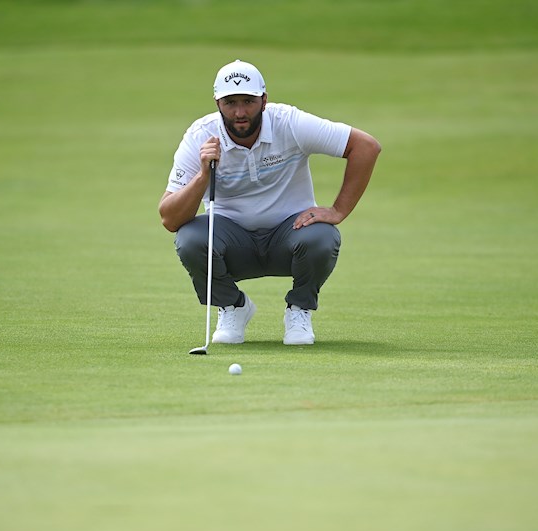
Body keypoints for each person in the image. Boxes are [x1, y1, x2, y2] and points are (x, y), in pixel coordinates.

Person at [159, 59, 381, 346]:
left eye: (248, 101)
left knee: (323, 236)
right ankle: (233, 307)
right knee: (190, 238)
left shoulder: (288, 123)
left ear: (264, 100)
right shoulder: (201, 135)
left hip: (289, 237)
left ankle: (299, 310)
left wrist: (338, 210)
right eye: (230, 102)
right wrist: (202, 175)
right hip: (232, 242)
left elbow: (366, 146)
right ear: (217, 102)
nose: (240, 112)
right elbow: (169, 219)